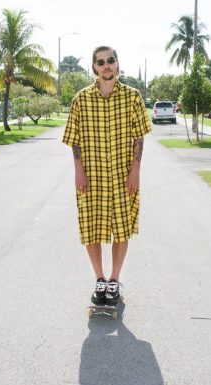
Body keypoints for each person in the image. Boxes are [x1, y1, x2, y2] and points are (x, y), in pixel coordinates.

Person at [62, 45, 151, 307]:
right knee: (91, 228)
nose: (106, 66)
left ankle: (114, 280)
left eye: (110, 60)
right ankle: (99, 279)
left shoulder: (133, 97)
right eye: (101, 62)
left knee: (121, 228)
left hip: (123, 176)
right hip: (92, 177)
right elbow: (75, 140)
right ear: (94, 67)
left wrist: (135, 171)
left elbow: (139, 137)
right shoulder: (81, 99)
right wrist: (79, 172)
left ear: (117, 63)